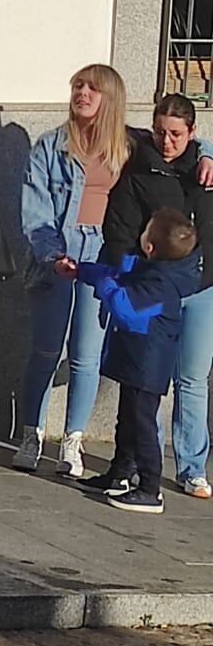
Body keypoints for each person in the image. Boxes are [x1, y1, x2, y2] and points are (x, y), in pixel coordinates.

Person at [84, 95, 213, 499]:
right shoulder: (139, 168)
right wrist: (121, 274)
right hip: (152, 286)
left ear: (192, 133)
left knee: (191, 378)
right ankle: (135, 466)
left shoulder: (204, 170)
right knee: (138, 382)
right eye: (160, 132)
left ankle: (191, 468)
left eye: (176, 134)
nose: (167, 141)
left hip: (200, 286)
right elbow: (119, 227)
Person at [10, 65, 131, 478]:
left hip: (103, 253)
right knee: (45, 350)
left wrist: (205, 152)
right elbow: (35, 210)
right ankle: (32, 435)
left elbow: (189, 141)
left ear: (109, 97)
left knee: (86, 355)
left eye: (92, 88)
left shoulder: (129, 146)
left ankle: (72, 441)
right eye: (78, 86)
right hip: (58, 252)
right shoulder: (50, 146)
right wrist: (52, 254)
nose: (82, 93)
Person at [75, 208, 204, 514]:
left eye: (146, 231)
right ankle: (119, 474)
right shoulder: (152, 269)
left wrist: (104, 288)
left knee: (143, 424)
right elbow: (116, 274)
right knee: (128, 420)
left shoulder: (160, 284)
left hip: (148, 364)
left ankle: (149, 488)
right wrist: (82, 271)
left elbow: (126, 309)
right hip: (136, 361)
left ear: (150, 247)